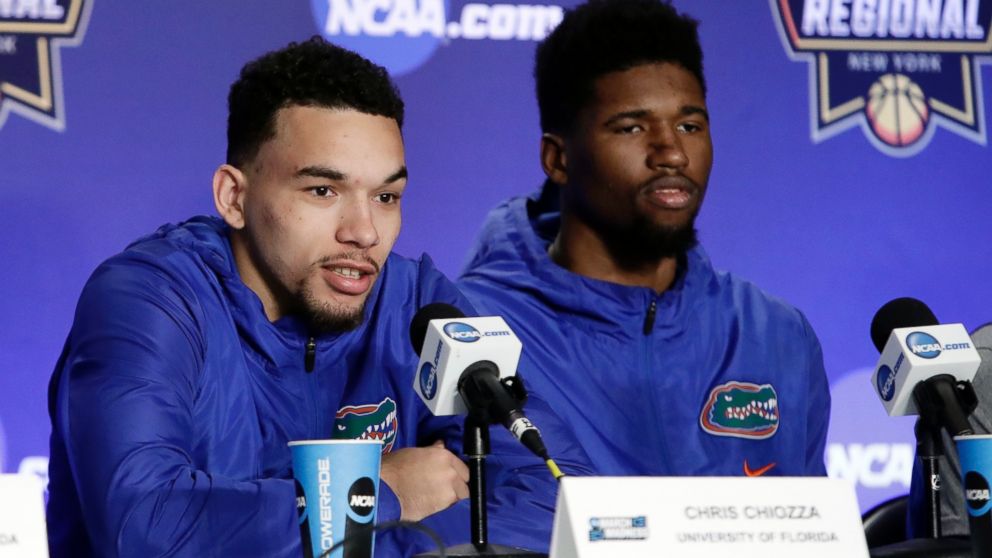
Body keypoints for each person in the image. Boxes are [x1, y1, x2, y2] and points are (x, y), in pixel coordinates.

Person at [46, 37, 473, 557]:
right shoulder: (148, 301)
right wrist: (373, 497)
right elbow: (142, 523)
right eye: (323, 191)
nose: (364, 232)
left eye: (386, 197)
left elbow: (534, 490)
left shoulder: (418, 302)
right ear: (234, 197)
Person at [456, 0, 831, 549]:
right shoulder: (471, 330)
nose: (672, 152)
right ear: (558, 159)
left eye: (689, 124)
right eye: (632, 127)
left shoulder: (777, 334)